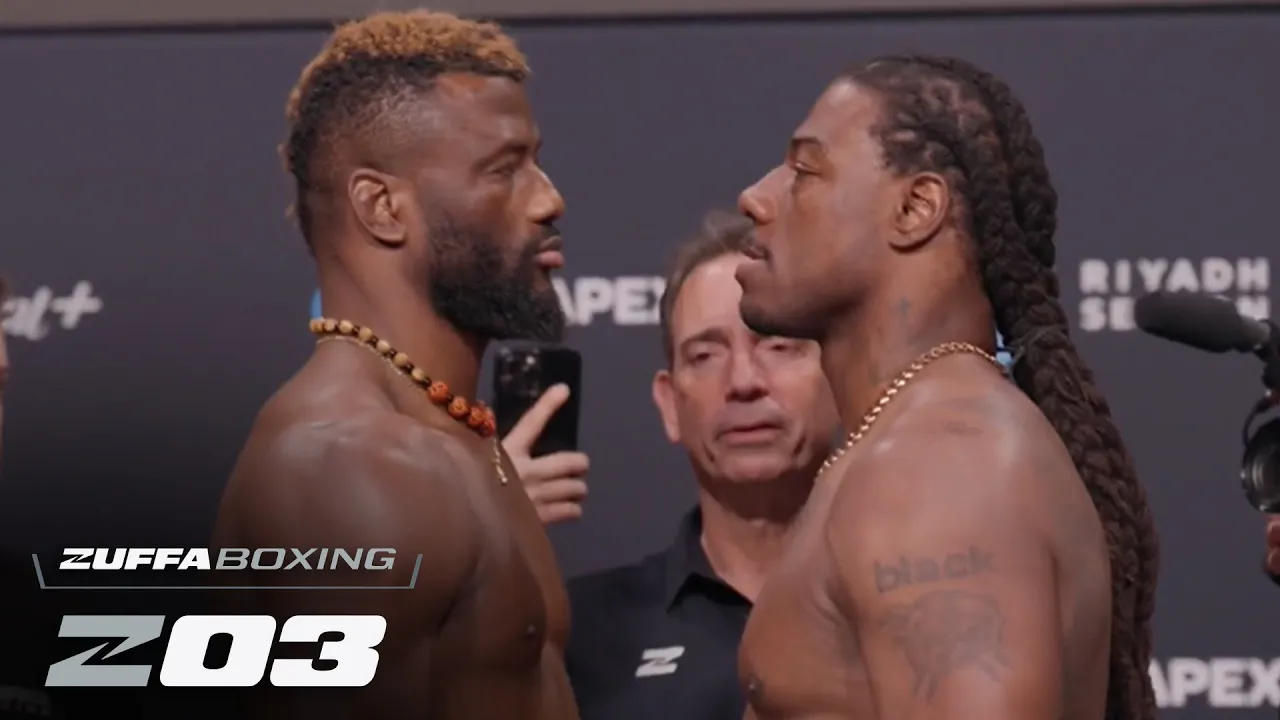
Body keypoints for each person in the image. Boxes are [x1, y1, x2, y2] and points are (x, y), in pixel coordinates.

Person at [733, 55, 1159, 720]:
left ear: (915, 208)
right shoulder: (913, 445)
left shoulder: (937, 468)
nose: (756, 197)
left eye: (805, 170)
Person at [212, 10, 577, 720]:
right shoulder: (348, 463)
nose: (549, 199)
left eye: (536, 161)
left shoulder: (453, 441)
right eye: (504, 169)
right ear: (381, 207)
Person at [555, 211, 839, 720]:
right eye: (705, 355)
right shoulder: (581, 632)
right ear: (669, 404)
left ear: (839, 375)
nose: (744, 381)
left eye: (778, 346)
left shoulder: (910, 607)